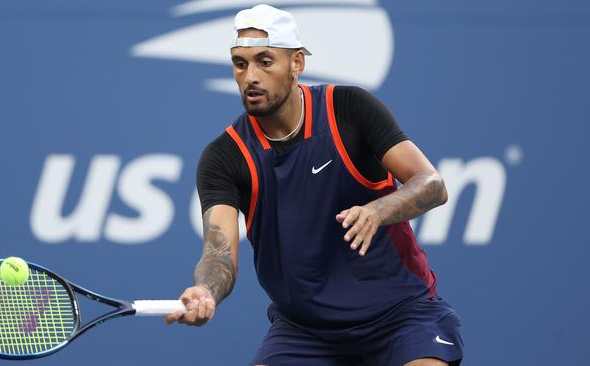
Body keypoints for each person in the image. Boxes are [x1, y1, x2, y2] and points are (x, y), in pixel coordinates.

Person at [165, 4, 464, 366]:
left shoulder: (350, 109)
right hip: (305, 332)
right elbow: (219, 255)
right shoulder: (224, 157)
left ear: (297, 64)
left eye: (265, 61)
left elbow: (432, 184)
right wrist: (206, 291)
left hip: (401, 316)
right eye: (240, 64)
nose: (250, 77)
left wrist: (378, 210)